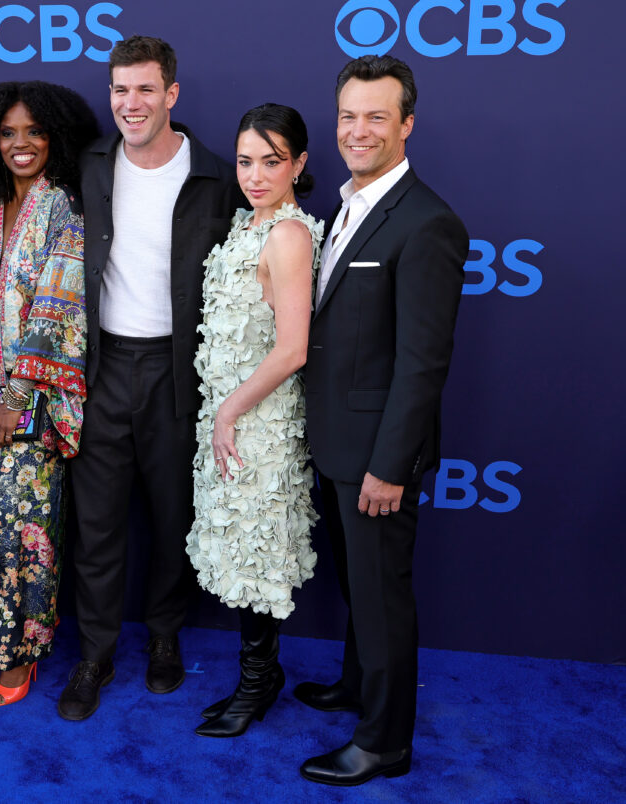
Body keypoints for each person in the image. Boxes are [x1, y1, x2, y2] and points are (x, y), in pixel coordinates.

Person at [59, 35, 243, 722]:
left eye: (144, 90)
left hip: (177, 371)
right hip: (103, 366)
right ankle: (95, 654)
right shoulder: (89, 166)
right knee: (97, 525)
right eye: (119, 90)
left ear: (171, 94)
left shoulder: (216, 177)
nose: (129, 104)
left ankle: (164, 636)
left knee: (173, 518)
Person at [297, 55, 469, 785]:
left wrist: (389, 465)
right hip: (335, 442)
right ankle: (358, 686)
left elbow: (422, 363)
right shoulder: (348, 206)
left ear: (407, 124)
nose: (358, 130)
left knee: (383, 593)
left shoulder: (428, 223)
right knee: (358, 585)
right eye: (347, 116)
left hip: (376, 455)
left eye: (376, 116)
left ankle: (385, 743)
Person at [0, 81, 98, 707]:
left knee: (13, 520)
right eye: (9, 133)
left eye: (34, 132)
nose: (21, 144)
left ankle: (21, 654)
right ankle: (21, 633)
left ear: (56, 139)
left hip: (36, 396)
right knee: (6, 522)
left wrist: (16, 392)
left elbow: (57, 307)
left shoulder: (64, 208)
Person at [188, 104, 322, 739]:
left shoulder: (289, 236)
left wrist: (230, 412)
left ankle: (257, 680)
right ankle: (258, 675)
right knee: (240, 546)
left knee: (257, 550)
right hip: (231, 416)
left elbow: (293, 348)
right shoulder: (248, 225)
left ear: (298, 163)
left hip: (259, 423)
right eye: (245, 161)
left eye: (272, 161)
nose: (256, 174)